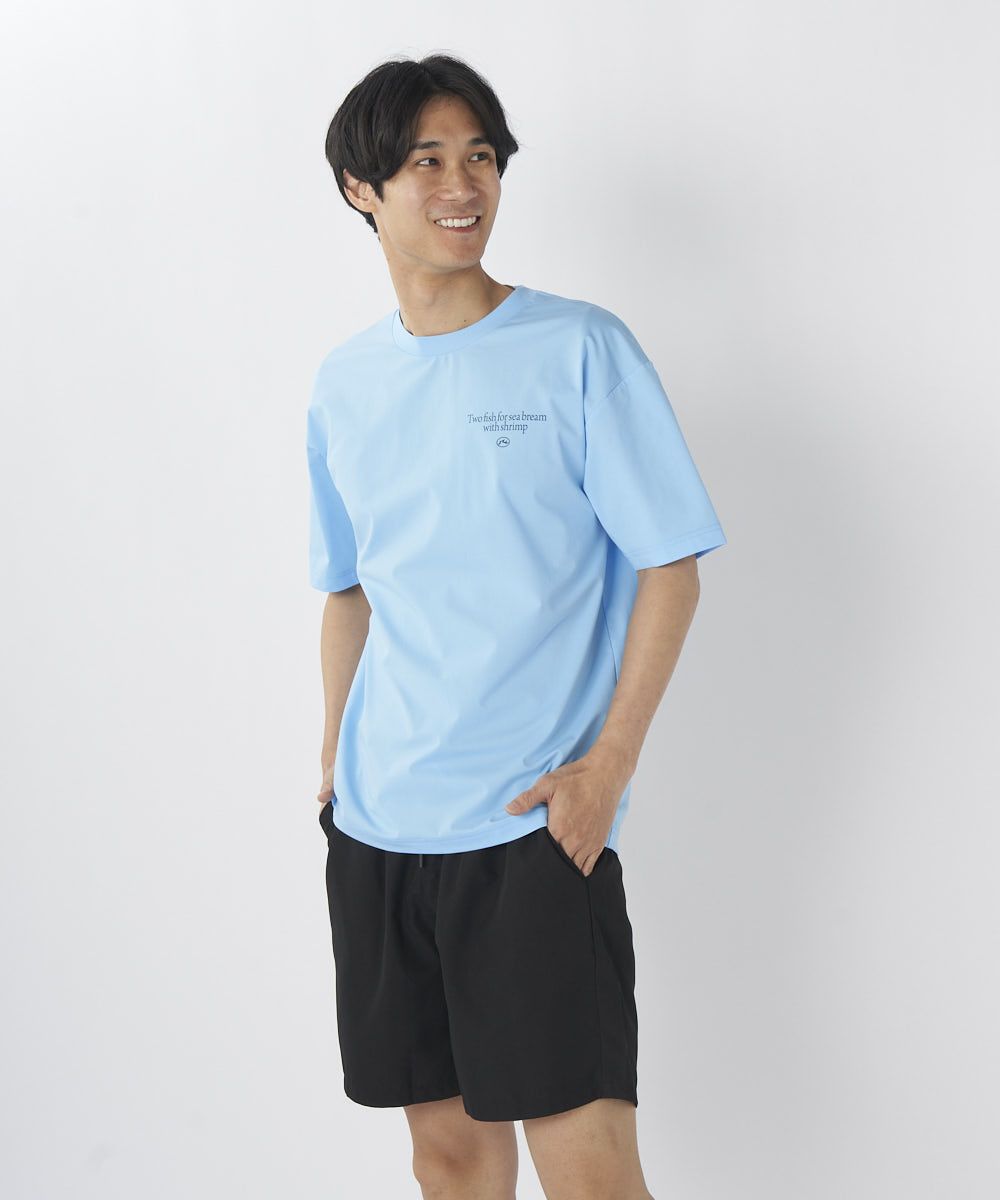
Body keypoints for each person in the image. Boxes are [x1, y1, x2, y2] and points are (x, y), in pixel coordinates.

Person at [307, 52, 727, 1200]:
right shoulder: (345, 383)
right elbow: (347, 589)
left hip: (531, 830)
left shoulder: (578, 349)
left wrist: (607, 769)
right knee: (445, 1155)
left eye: (481, 156)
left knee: (586, 1166)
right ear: (360, 188)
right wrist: (336, 758)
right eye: (426, 161)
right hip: (381, 831)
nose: (462, 185)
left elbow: (670, 566)